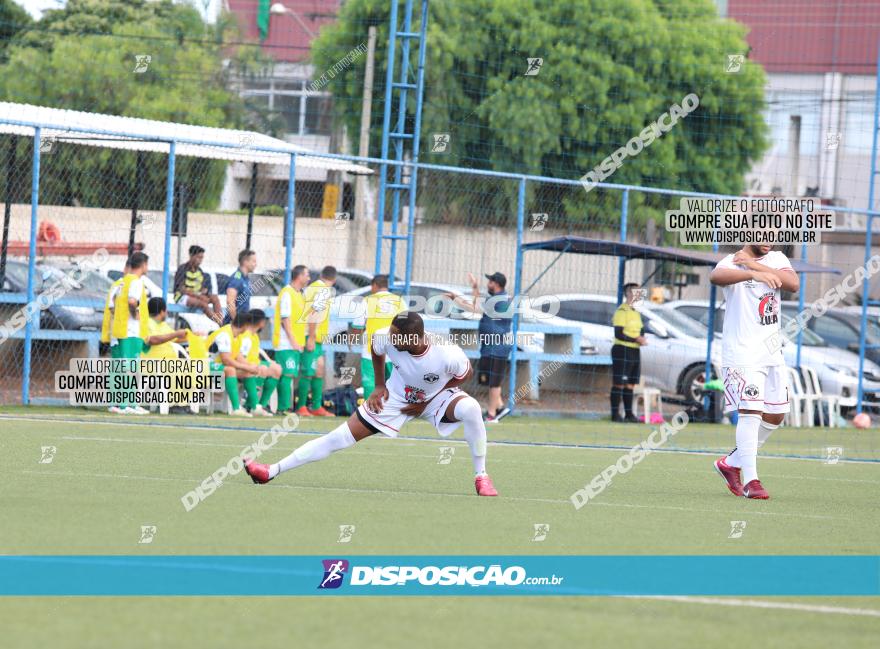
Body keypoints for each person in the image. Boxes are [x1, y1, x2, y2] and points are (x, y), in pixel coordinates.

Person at [244, 312, 499, 497]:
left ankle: (482, 477)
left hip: (436, 398)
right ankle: (271, 471)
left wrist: (429, 401)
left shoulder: (447, 353)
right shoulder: (386, 338)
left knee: (472, 409)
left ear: (412, 339)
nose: (389, 337)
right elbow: (377, 350)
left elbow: (464, 374)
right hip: (396, 397)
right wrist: (380, 386)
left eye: (396, 335)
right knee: (338, 438)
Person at [710, 243, 799, 500]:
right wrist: (750, 273)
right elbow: (716, 277)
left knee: (776, 415)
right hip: (742, 353)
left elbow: (792, 284)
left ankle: (731, 463)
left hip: (771, 352)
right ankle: (751, 481)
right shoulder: (732, 261)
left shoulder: (777, 257)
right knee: (750, 412)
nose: (768, 237)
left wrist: (755, 266)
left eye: (773, 232)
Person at [448, 271, 512, 423]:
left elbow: (474, 308)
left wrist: (454, 298)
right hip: (490, 346)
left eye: (490, 281)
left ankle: (491, 415)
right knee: (491, 380)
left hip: (497, 347)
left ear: (496, 284)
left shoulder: (500, 300)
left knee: (494, 383)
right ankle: (501, 408)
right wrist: (475, 287)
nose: (488, 284)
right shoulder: (494, 299)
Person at [102, 252, 150, 415]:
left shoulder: (119, 283)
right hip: (130, 331)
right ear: (143, 265)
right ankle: (126, 403)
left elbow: (111, 307)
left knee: (119, 367)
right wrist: (135, 312)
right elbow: (132, 301)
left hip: (117, 330)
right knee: (130, 367)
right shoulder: (135, 282)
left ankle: (117, 403)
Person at [207, 311, 272, 417]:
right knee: (230, 369)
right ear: (245, 325)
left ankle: (255, 407)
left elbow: (238, 356)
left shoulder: (236, 336)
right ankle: (236, 409)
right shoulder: (224, 334)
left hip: (219, 366)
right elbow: (226, 360)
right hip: (205, 364)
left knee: (247, 372)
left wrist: (250, 367)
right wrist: (246, 366)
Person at [351, 274, 405, 398]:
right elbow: (406, 325)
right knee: (394, 383)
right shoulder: (399, 301)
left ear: (375, 285)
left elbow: (358, 325)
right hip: (393, 350)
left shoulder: (367, 301)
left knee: (370, 380)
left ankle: (369, 412)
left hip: (372, 349)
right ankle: (392, 411)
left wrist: (353, 340)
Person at [299, 265, 338, 417]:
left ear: (321, 275)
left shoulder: (314, 288)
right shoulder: (322, 291)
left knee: (319, 370)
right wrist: (312, 337)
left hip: (317, 339)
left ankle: (316, 406)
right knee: (309, 371)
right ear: (334, 280)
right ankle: (301, 406)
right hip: (311, 337)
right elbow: (313, 314)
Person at [272, 265, 310, 414]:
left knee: (291, 374)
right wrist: (293, 341)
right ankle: (281, 408)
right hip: (285, 343)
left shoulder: (300, 294)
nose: (308, 278)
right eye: (306, 275)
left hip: (295, 344)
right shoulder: (287, 293)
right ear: (299, 276)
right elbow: (285, 320)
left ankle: (283, 407)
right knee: (287, 374)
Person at [610, 283, 648, 423]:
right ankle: (615, 415)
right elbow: (618, 334)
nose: (641, 295)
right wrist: (636, 338)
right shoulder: (622, 311)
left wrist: (642, 338)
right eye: (639, 293)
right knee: (619, 383)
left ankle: (629, 414)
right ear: (630, 294)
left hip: (634, 350)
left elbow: (641, 330)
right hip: (622, 350)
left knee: (631, 384)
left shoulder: (636, 312)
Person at [240, 309, 282, 417]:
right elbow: (239, 356)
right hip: (244, 367)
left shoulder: (254, 335)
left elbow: (258, 351)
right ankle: (249, 404)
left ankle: (262, 404)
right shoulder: (245, 335)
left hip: (255, 364)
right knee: (262, 368)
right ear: (261, 322)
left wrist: (269, 361)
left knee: (276, 369)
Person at [173, 245, 222, 324]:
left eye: (202, 258)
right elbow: (182, 290)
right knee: (203, 304)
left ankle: (220, 318)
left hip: (197, 296)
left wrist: (205, 293)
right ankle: (220, 323)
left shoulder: (200, 271)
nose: (200, 260)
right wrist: (199, 296)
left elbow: (202, 289)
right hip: (182, 297)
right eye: (198, 257)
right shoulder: (182, 269)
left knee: (215, 298)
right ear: (191, 256)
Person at [224, 249, 256, 325]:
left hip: (242, 322)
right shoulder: (237, 278)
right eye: (253, 261)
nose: (255, 264)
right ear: (245, 262)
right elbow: (230, 302)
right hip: (233, 324)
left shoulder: (246, 278)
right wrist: (237, 323)